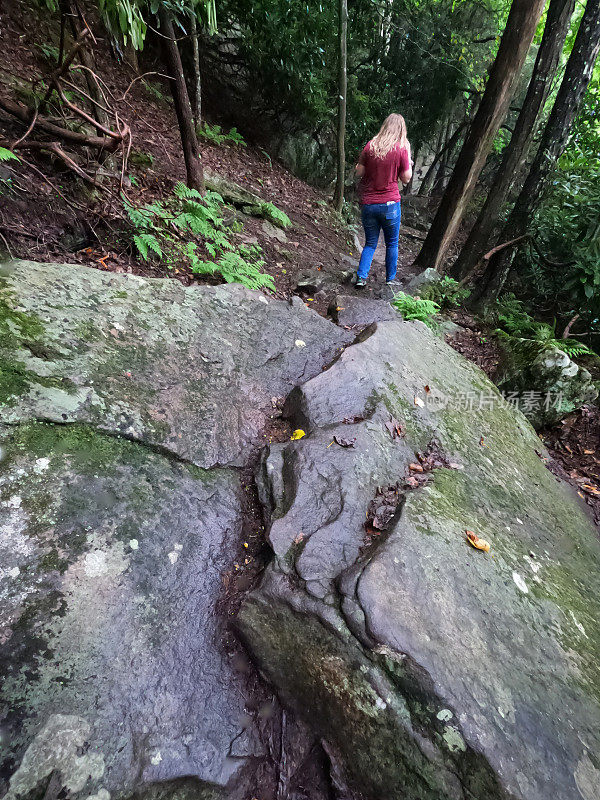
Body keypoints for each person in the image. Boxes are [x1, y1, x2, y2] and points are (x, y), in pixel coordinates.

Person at [354, 113, 412, 287]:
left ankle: (361, 277)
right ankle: (390, 279)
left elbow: (359, 172)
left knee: (370, 243)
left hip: (369, 204)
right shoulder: (401, 149)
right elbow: (406, 178)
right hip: (390, 204)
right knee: (392, 243)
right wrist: (408, 159)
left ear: (385, 126)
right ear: (401, 129)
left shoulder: (370, 146)